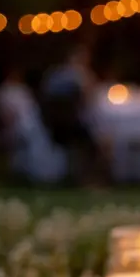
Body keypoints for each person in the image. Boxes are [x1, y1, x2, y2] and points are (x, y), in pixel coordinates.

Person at [40, 46, 101, 183]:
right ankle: (89, 179)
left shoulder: (53, 75)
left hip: (50, 126)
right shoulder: (77, 75)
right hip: (68, 127)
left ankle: (77, 176)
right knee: (97, 137)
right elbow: (90, 97)